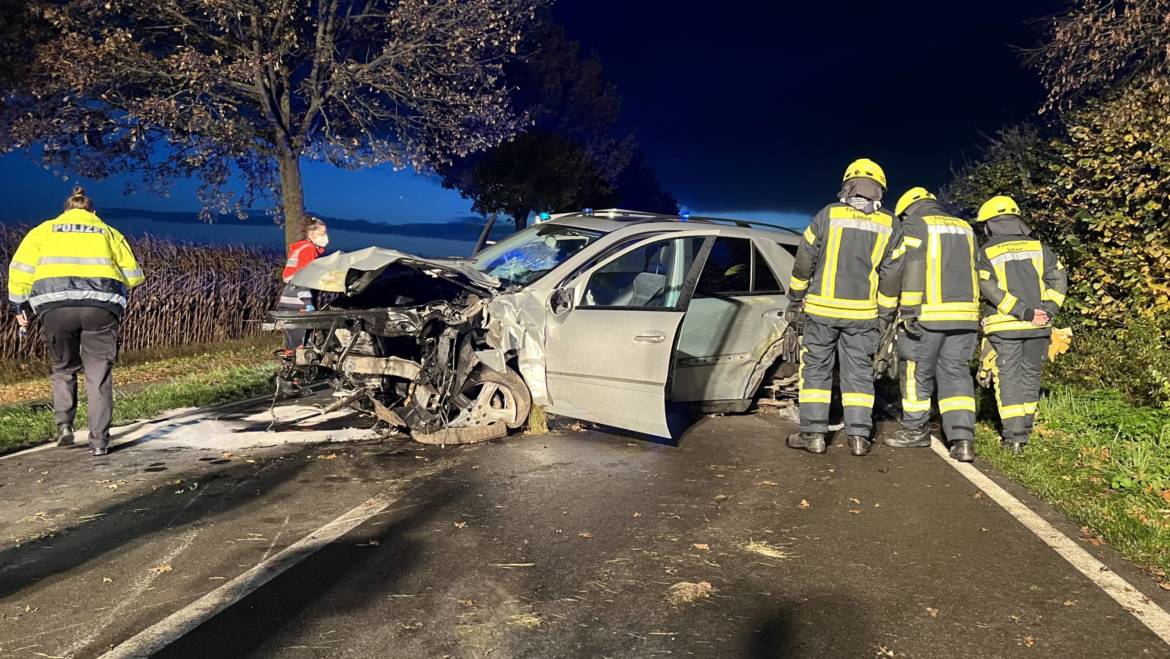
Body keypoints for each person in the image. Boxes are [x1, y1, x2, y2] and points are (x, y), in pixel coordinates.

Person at [7, 186, 144, 456]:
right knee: (98, 374)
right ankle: (99, 442)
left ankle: (65, 427)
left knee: (63, 368)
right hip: (101, 308)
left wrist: (18, 304)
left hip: (56, 308)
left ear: (66, 210)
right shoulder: (108, 232)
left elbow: (20, 268)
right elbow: (134, 275)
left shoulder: (42, 231)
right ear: (92, 211)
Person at [786, 159, 903, 456]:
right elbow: (891, 275)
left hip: (822, 312)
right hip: (863, 316)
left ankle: (813, 435)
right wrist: (886, 314)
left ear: (848, 184)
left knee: (816, 372)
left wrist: (796, 297)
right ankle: (859, 439)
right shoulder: (890, 223)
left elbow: (804, 260)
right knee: (859, 374)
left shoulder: (828, 214)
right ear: (879, 188)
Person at [883, 188, 980, 462]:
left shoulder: (915, 224)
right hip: (965, 315)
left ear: (907, 210)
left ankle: (915, 431)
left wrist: (907, 310)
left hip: (927, 315)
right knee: (956, 374)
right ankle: (962, 441)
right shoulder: (965, 228)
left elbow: (910, 266)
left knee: (915, 372)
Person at [974, 196, 1067, 455]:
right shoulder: (1040, 248)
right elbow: (1058, 280)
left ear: (990, 225)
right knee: (1030, 377)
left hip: (1006, 326)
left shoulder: (986, 252)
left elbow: (987, 287)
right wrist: (1046, 311)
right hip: (1039, 327)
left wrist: (1022, 311)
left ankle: (1013, 438)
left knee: (1008, 379)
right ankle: (1024, 432)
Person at [277, 218, 328, 350]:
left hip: (288, 297)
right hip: (297, 300)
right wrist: (308, 303)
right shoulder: (308, 250)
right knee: (300, 341)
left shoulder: (301, 249)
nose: (326, 236)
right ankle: (300, 365)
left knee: (292, 340)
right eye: (322, 233)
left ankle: (291, 362)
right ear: (312, 234)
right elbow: (304, 278)